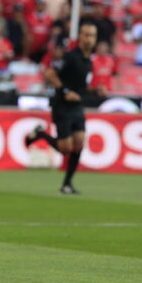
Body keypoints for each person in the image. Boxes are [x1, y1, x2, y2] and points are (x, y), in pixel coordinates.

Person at [26, 21, 98, 194]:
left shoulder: (89, 61)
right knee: (65, 149)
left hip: (77, 106)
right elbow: (50, 73)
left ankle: (67, 184)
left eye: (92, 36)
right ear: (80, 36)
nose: (89, 39)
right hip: (62, 106)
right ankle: (40, 134)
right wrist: (65, 91)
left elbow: (82, 86)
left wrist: (96, 91)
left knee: (79, 144)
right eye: (86, 35)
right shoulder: (70, 56)